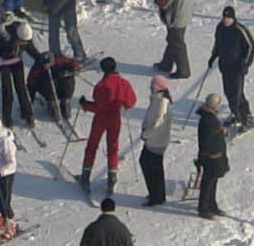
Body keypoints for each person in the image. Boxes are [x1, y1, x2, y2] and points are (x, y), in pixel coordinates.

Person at [78, 57, 136, 198]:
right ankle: (112, 177)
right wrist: (122, 104)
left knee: (92, 145)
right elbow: (131, 102)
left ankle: (85, 175)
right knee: (113, 147)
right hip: (115, 117)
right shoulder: (124, 83)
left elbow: (98, 106)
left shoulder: (102, 85)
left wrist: (85, 104)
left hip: (101, 118)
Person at [0, 15, 42, 130]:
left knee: (21, 88)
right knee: (7, 90)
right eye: (22, 41)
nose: (24, 43)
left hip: (16, 62)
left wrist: (40, 58)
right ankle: (7, 116)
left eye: (25, 41)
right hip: (3, 64)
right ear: (18, 35)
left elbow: (31, 50)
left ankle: (27, 114)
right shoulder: (4, 36)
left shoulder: (26, 36)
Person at [208, 7, 254, 129]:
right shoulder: (220, 28)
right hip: (225, 66)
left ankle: (246, 118)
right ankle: (236, 115)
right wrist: (213, 56)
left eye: (229, 18)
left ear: (233, 18)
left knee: (237, 94)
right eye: (224, 17)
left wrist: (245, 63)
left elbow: (251, 47)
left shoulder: (239, 30)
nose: (226, 20)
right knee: (228, 92)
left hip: (237, 68)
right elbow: (217, 44)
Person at [153, 0, 192, 79]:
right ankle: (166, 64)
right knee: (172, 39)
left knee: (177, 42)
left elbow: (162, 1)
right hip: (184, 12)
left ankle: (184, 71)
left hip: (176, 16)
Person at [138, 76, 172, 207]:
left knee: (151, 167)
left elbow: (158, 125)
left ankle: (156, 196)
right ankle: (158, 194)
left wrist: (145, 134)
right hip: (154, 140)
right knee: (153, 167)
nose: (151, 87)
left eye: (153, 85)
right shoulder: (157, 99)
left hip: (156, 141)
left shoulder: (162, 102)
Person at [195, 93, 229, 220]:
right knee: (208, 183)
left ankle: (211, 204)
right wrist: (221, 132)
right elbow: (209, 140)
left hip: (212, 156)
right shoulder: (209, 120)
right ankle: (203, 207)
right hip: (212, 157)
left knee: (212, 182)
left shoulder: (209, 117)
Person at [27, 53, 78, 123]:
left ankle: (65, 102)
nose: (47, 66)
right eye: (45, 65)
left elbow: (74, 64)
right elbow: (31, 81)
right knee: (48, 83)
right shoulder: (38, 66)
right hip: (48, 88)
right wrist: (31, 97)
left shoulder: (60, 60)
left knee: (68, 80)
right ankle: (52, 103)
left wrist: (71, 69)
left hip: (61, 86)